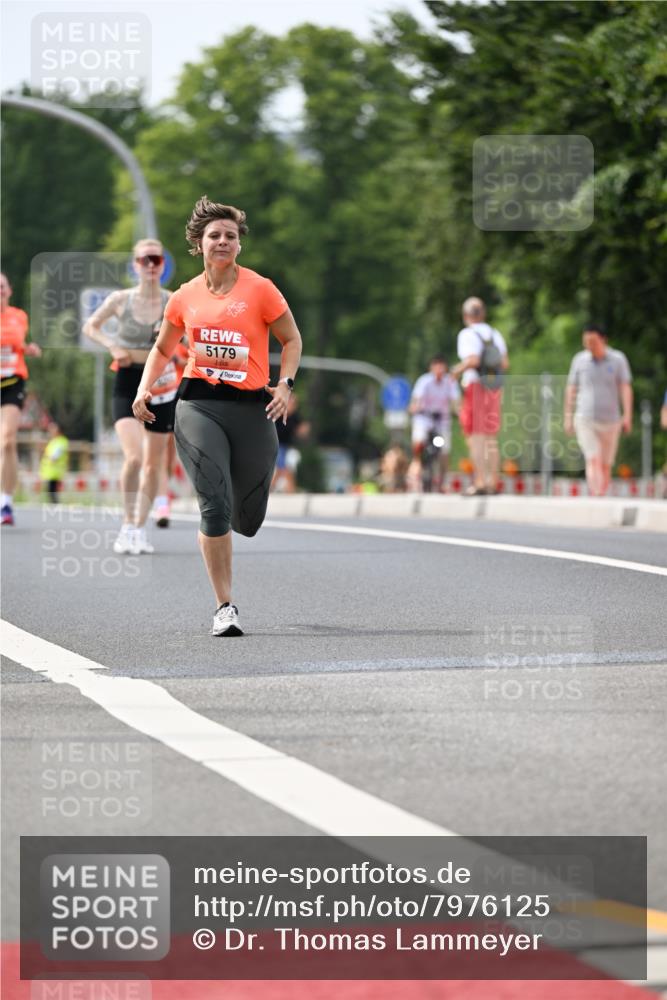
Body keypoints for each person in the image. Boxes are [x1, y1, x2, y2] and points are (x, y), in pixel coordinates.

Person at [132, 196, 302, 636]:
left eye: (230, 235)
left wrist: (285, 385)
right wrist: (145, 386)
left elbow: (292, 340)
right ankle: (225, 606)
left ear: (238, 245)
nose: (222, 241)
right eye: (214, 235)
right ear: (199, 244)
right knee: (214, 504)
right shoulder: (185, 296)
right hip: (198, 405)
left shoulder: (261, 289)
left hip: (252, 409)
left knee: (248, 518)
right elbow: (163, 348)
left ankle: (233, 518)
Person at [84, 239, 174, 554]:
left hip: (161, 384)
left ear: (163, 264)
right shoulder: (120, 299)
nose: (150, 264)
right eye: (144, 259)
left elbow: (191, 333)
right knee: (134, 457)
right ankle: (126, 523)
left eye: (156, 259)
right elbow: (90, 326)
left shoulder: (173, 300)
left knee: (153, 465)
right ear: (135, 265)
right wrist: (112, 346)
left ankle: (139, 527)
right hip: (127, 379)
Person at [564, 324, 633, 496]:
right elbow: (571, 389)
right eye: (586, 342)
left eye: (593, 342)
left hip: (611, 419)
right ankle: (595, 492)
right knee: (592, 458)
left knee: (605, 463)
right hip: (585, 418)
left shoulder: (618, 359)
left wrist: (627, 416)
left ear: (603, 340)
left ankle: (601, 493)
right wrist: (568, 416)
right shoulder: (579, 360)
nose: (589, 346)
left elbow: (625, 388)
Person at [452, 297, 509, 495]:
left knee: (475, 436)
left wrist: (455, 372)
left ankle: (480, 481)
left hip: (476, 386)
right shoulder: (494, 333)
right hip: (494, 387)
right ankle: (494, 481)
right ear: (483, 313)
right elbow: (504, 363)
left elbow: (473, 360)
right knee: (491, 437)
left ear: (466, 315)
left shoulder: (467, 334)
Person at [1, 272, 42, 525]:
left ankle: (5, 501)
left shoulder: (19, 317)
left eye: (2, 286)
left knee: (7, 441)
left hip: (13, 382)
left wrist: (29, 349)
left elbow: (18, 344)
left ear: (9, 290)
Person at [409, 354, 460, 491]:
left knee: (444, 451)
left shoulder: (450, 382)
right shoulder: (424, 381)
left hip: (441, 420)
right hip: (424, 419)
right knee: (419, 441)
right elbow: (416, 399)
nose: (439, 369)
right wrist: (415, 407)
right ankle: (417, 462)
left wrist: (458, 412)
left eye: (441, 366)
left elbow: (455, 402)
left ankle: (443, 481)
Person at [272, 392, 310, 493]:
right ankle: (274, 488)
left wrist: (303, 430)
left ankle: (288, 490)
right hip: (277, 444)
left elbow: (302, 431)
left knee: (286, 469)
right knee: (282, 468)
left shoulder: (296, 416)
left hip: (287, 446)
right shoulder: (279, 413)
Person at [39, 421, 69, 503]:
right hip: (50, 472)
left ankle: (55, 508)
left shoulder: (61, 442)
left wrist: (48, 457)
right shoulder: (53, 441)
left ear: (58, 430)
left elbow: (54, 456)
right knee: (50, 492)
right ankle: (54, 507)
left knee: (52, 492)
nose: (50, 430)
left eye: (52, 428)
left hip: (55, 472)